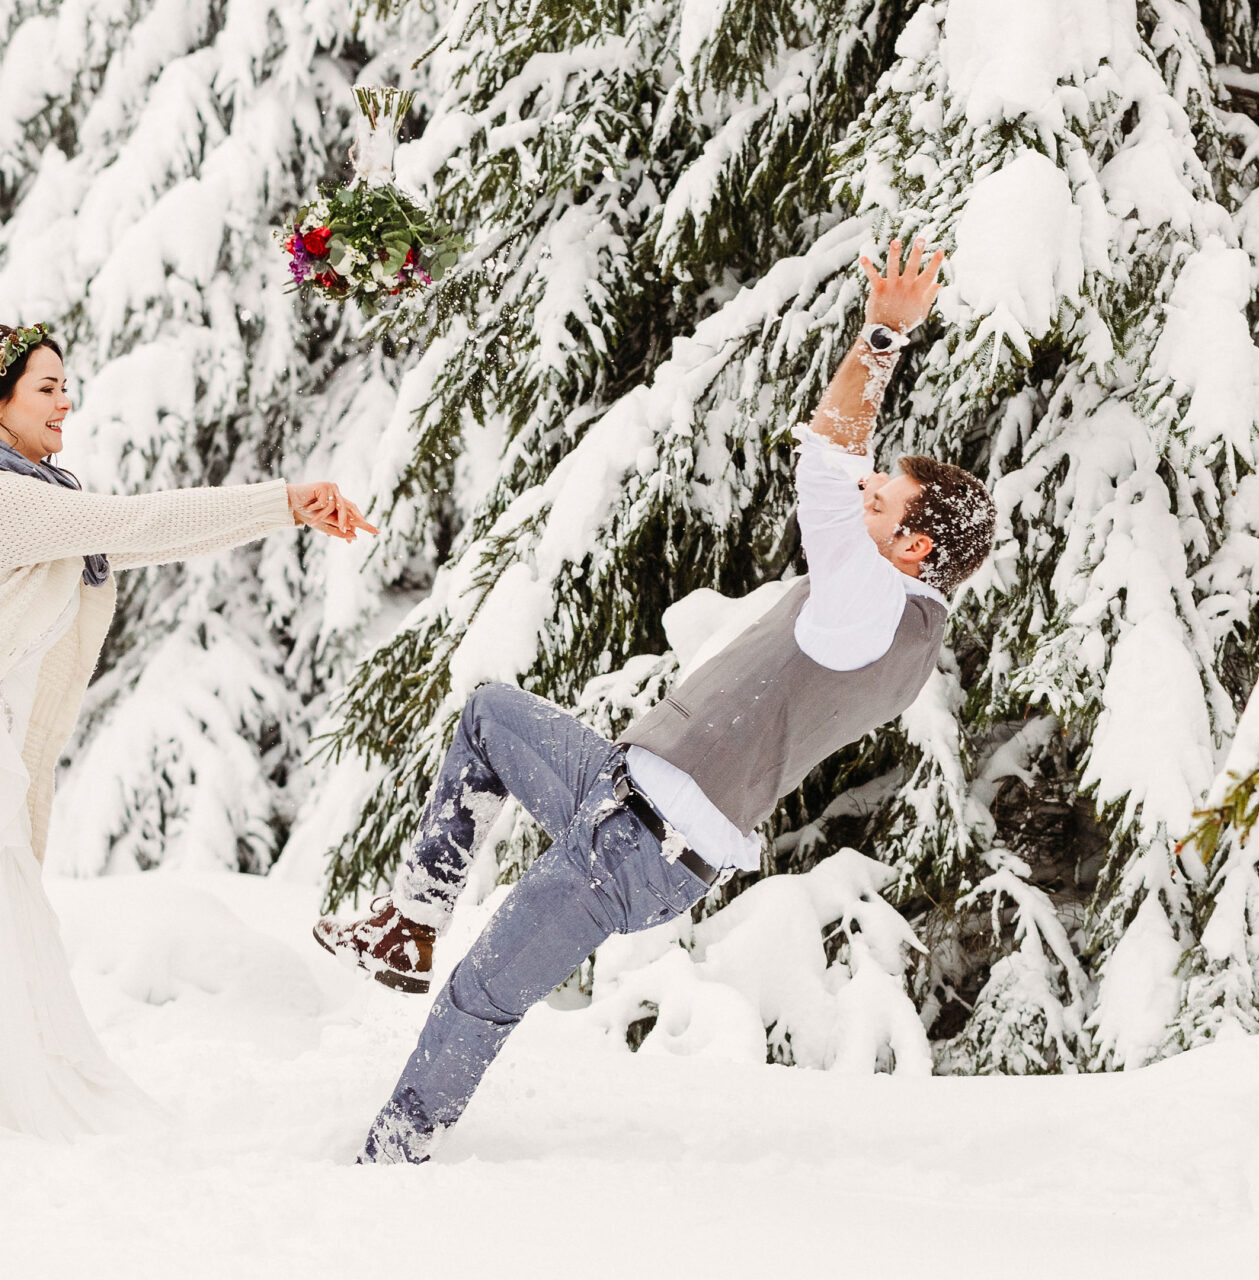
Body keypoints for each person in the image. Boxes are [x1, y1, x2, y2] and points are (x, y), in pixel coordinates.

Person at [315, 239, 994, 1163]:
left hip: (637, 851)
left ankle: (393, 1156)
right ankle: (409, 923)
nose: (863, 499)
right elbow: (841, 469)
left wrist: (880, 340)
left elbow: (827, 463)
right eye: (875, 494)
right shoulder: (893, 617)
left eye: (883, 505)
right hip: (617, 794)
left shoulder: (876, 607)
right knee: (488, 716)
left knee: (484, 992)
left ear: (915, 549)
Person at [0, 322, 373, 1153]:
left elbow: (130, 534)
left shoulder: (13, 491)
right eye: (47, 388)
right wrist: (283, 501)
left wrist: (281, 509)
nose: (65, 402)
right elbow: (138, 524)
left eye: (64, 386)